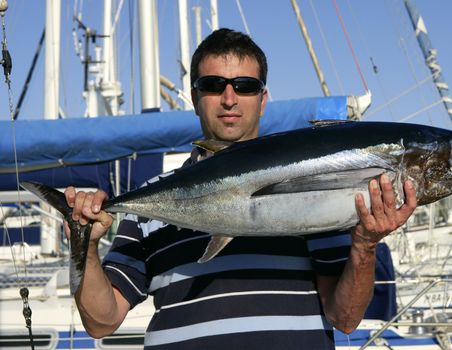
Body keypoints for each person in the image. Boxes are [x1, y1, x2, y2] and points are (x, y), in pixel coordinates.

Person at [65, 28, 417, 349]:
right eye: (214, 85)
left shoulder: (312, 188)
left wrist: (365, 245)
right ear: (194, 96)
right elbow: (101, 322)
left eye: (245, 86)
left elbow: (345, 318)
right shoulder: (150, 200)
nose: (229, 98)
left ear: (263, 99)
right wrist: (86, 245)